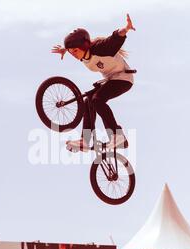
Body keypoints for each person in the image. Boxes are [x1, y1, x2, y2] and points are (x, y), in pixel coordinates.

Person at [52, 14, 136, 152]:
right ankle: (84, 141)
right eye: (71, 52)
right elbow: (72, 48)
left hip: (123, 79)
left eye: (75, 51)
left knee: (98, 100)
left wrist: (125, 29)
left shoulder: (100, 48)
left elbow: (114, 39)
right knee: (88, 101)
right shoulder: (82, 53)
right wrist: (64, 50)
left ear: (83, 46)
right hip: (111, 79)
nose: (73, 54)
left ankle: (116, 135)